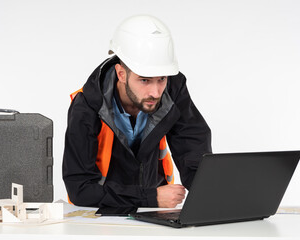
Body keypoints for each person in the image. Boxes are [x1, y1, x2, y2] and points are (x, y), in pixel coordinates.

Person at [63, 15, 212, 208]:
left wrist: (211, 196)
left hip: (154, 212)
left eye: (162, 79)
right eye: (145, 80)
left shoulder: (173, 90)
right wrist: (150, 197)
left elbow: (193, 148)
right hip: (103, 214)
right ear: (121, 74)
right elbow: (79, 190)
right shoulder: (87, 106)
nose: (156, 92)